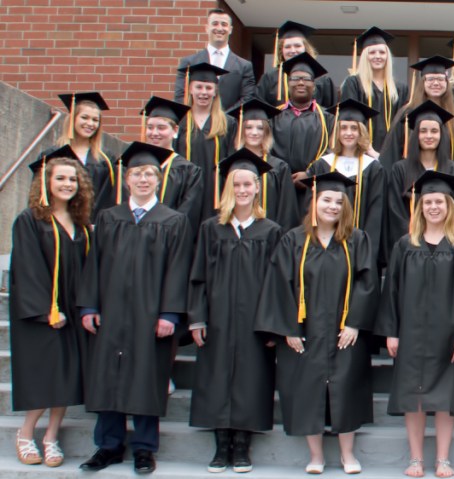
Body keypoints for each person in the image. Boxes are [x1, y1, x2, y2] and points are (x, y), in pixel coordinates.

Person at [77, 142, 194, 474]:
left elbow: (178, 268)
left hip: (151, 315)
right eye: (137, 174)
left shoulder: (173, 221)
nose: (144, 179)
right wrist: (88, 306)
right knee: (108, 377)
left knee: (147, 377)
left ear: (158, 180)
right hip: (111, 312)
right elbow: (94, 266)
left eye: (150, 174)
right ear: (126, 179)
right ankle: (108, 446)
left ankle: (144, 448)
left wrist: (170, 314)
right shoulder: (109, 217)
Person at [256, 171, 379, 475]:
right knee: (307, 389)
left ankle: (347, 454)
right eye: (326, 200)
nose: (333, 206)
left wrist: (354, 323)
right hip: (304, 331)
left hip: (344, 332)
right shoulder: (293, 240)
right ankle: (316, 455)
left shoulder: (356, 239)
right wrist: (288, 328)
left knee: (347, 387)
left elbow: (368, 282)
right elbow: (278, 284)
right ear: (314, 201)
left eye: (339, 201)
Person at [377, 170, 454, 479]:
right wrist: (391, 332)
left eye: (439, 201)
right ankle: (415, 459)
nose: (433, 207)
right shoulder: (404, 245)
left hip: (449, 336)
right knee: (412, 399)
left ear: (449, 206)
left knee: (445, 401)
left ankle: (442, 459)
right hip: (410, 334)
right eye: (427, 202)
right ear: (420, 206)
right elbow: (392, 291)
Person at [187, 150, 280, 473]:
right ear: (228, 189)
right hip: (218, 318)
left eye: (247, 184)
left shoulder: (270, 231)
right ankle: (221, 444)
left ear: (257, 188)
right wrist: (197, 317)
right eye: (236, 185)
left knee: (252, 379)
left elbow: (277, 283)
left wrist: (271, 325)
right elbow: (197, 276)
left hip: (255, 320)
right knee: (216, 377)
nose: (241, 190)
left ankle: (242, 445)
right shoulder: (212, 228)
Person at [10, 146, 92, 468]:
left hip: (73, 310)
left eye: (73, 178)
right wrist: (48, 310)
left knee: (68, 374)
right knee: (46, 375)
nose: (68, 183)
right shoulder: (30, 220)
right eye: (60, 178)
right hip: (44, 313)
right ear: (46, 181)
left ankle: (51, 437)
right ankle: (26, 432)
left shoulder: (82, 223)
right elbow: (27, 267)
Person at [384, 101, 454, 254]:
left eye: (434, 131)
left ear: (441, 134)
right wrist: (412, 242)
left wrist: (447, 245)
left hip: (447, 250)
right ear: (415, 134)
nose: (429, 136)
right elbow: (395, 213)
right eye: (423, 131)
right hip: (411, 249)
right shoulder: (400, 170)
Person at [307, 99, 387, 264]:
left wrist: (366, 249)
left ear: (361, 132)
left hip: (360, 248)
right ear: (337, 131)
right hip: (326, 246)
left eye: (354, 128)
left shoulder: (373, 168)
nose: (348, 133)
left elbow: (376, 213)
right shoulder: (322, 165)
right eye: (343, 128)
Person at [378, 55, 454, 171]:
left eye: (440, 79)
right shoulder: (407, 113)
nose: (436, 83)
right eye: (431, 79)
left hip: (446, 183)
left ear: (447, 83)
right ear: (423, 82)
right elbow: (391, 151)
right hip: (411, 181)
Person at [226, 98, 301, 229]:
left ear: (266, 132)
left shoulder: (279, 167)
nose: (254, 132)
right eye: (248, 127)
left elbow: (287, 210)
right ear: (241, 131)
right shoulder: (230, 165)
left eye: (260, 128)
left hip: (270, 238)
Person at [175, 62, 237, 220]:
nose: (204, 92)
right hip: (184, 189)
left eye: (208, 88)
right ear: (190, 89)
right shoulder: (179, 121)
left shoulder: (228, 123)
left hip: (215, 191)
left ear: (216, 91)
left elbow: (231, 160)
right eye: (199, 87)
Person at [43, 92, 117, 220]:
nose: (90, 123)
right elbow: (41, 194)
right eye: (84, 117)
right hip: (55, 224)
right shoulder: (51, 155)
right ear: (73, 118)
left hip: (92, 225)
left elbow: (108, 198)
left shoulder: (106, 159)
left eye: (95, 120)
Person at [140, 96, 205, 235]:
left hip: (171, 240)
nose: (154, 133)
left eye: (161, 128)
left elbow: (187, 214)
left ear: (175, 131)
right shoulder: (134, 166)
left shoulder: (189, 171)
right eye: (150, 127)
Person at [339, 26, 409, 152]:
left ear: (388, 56)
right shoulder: (353, 83)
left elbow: (402, 125)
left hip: (392, 154)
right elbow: (352, 119)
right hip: (361, 152)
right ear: (365, 56)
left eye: (382, 52)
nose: (378, 56)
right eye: (372, 52)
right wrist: (369, 150)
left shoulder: (400, 88)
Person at [270, 53, 335, 179]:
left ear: (314, 86)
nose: (300, 83)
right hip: (278, 180)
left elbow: (331, 152)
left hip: (313, 184)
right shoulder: (272, 116)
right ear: (288, 84)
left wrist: (310, 174)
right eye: (295, 79)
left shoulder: (328, 118)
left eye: (306, 79)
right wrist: (283, 175)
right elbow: (267, 149)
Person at [174, 8, 255, 110]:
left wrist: (224, 119)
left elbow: (247, 98)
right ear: (207, 28)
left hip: (229, 123)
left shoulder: (244, 66)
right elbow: (181, 96)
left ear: (230, 29)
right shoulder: (189, 62)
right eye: (215, 23)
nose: (220, 28)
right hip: (195, 123)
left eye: (224, 24)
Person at [257, 21, 337, 108]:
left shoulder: (321, 79)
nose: (293, 50)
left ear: (305, 48)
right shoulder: (269, 79)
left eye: (297, 46)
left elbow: (331, 113)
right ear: (281, 51)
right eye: (287, 47)